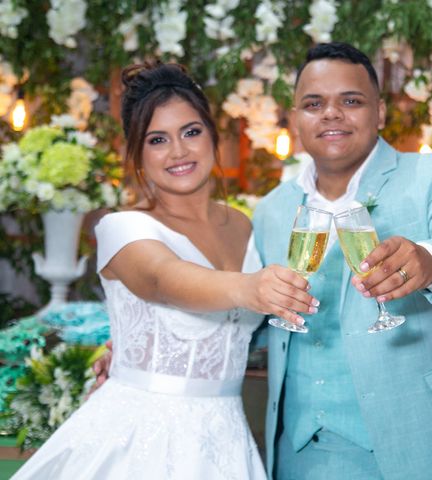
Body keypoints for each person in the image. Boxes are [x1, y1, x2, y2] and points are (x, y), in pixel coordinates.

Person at [11, 62, 317, 479]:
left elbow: (239, 333)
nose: (178, 152)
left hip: (227, 439)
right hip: (141, 442)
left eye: (190, 132)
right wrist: (251, 288)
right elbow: (165, 280)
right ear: (138, 154)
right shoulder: (123, 228)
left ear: (212, 134)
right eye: (158, 140)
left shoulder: (244, 226)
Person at [251, 42, 432, 479]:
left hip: (421, 445)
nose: (331, 114)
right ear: (295, 117)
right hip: (300, 452)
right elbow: (251, 315)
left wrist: (428, 260)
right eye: (313, 104)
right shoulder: (271, 209)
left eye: (350, 101)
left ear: (381, 112)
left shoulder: (431, 176)